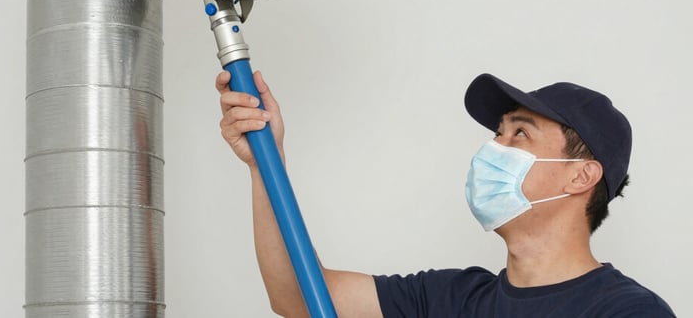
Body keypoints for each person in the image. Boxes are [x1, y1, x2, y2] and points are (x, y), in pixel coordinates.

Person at [216, 70, 675, 317]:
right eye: (498, 133)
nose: (494, 147)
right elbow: (297, 297)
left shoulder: (626, 311)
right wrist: (264, 163)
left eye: (519, 135)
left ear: (580, 177)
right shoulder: (452, 298)